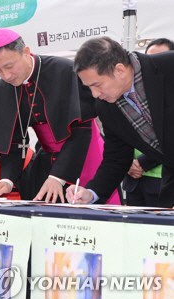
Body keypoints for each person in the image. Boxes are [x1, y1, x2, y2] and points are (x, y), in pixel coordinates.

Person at [0, 28, 116, 203]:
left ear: (26, 52)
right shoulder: (1, 90)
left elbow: (81, 129)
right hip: (48, 156)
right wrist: (7, 180)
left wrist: (58, 176)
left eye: (9, 66)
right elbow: (13, 143)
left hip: (84, 150)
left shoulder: (63, 70)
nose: (6, 75)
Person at [68, 36, 174, 208]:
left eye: (97, 85)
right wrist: (91, 193)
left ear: (120, 70)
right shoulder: (106, 106)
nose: (95, 94)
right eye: (89, 87)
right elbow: (117, 157)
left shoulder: (169, 66)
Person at [122, 38, 174, 207]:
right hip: (132, 179)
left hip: (160, 178)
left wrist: (143, 163)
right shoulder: (130, 94)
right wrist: (128, 163)